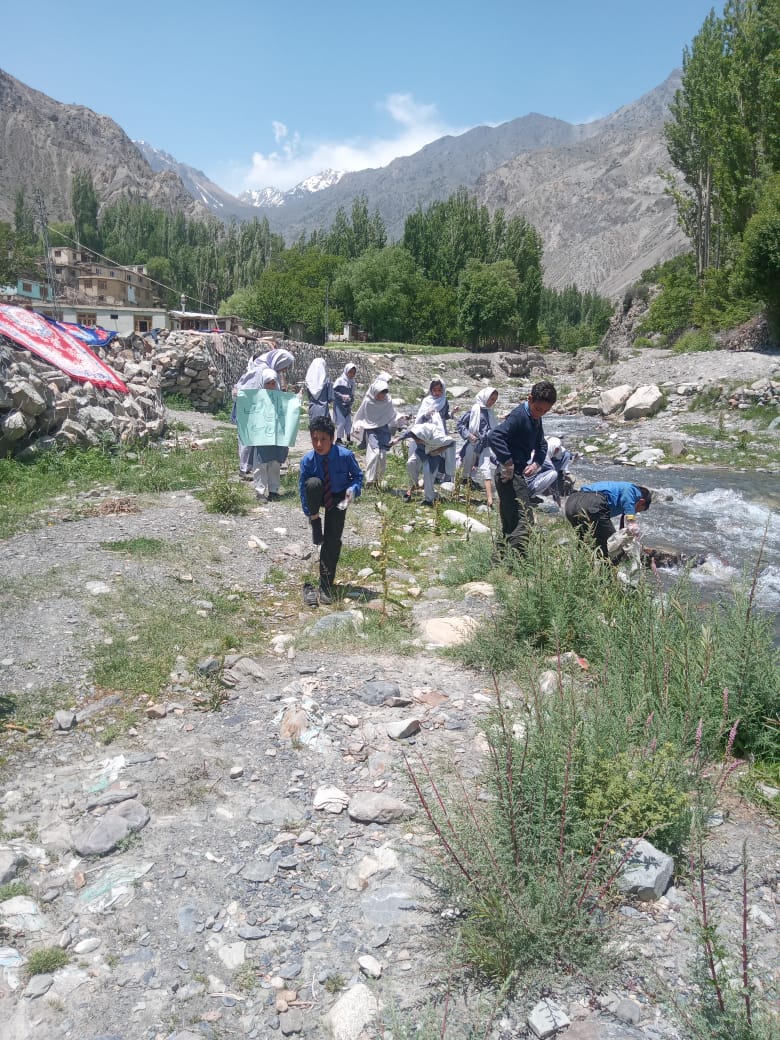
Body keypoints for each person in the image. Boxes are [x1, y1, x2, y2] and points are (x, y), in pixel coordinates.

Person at [299, 415, 364, 606]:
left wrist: (353, 490)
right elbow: (303, 488)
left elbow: (357, 477)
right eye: (314, 439)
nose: (318, 444)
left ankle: (326, 584)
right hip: (318, 495)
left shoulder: (345, 456)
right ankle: (315, 522)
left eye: (323, 439)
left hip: (338, 497)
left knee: (332, 540)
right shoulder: (308, 460)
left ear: (332, 438)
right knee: (312, 483)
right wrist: (310, 513)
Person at [487, 380, 557, 553]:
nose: (540, 413)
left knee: (512, 522)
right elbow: (494, 436)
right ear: (530, 398)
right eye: (538, 409)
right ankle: (515, 562)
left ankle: (501, 560)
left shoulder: (536, 419)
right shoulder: (519, 416)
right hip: (509, 474)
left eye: (545, 411)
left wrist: (536, 463)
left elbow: (542, 444)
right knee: (523, 520)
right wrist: (508, 462)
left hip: (519, 472)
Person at [564, 481, 652, 560]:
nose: (635, 512)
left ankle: (583, 566)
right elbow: (628, 494)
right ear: (641, 501)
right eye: (638, 510)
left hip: (571, 503)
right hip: (591, 502)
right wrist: (631, 522)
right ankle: (610, 571)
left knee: (586, 542)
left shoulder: (616, 492)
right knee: (613, 546)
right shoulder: (633, 490)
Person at [352, 377, 407, 485]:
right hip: (371, 430)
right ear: (374, 392)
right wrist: (358, 426)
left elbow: (392, 415)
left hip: (383, 430)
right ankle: (369, 479)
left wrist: (401, 418)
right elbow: (361, 416)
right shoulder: (368, 401)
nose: (381, 397)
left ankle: (378, 479)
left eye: (384, 394)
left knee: (382, 455)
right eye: (379, 394)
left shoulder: (387, 401)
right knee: (374, 452)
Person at [394, 414, 455, 506]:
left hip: (433, 455)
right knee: (410, 463)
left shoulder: (437, 437)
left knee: (428, 474)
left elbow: (451, 443)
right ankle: (413, 485)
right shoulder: (417, 431)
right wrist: (396, 440)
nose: (416, 441)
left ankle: (429, 499)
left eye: (418, 440)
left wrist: (438, 450)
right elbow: (407, 434)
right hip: (421, 452)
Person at [457, 387, 499, 508]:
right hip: (472, 444)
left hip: (485, 446)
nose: (492, 402)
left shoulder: (490, 412)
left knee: (486, 470)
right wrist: (468, 435)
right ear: (485, 397)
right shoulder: (474, 410)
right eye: (491, 399)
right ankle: (457, 492)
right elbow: (460, 424)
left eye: (494, 400)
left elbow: (493, 429)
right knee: (466, 469)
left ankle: (490, 499)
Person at [415, 377, 455, 483]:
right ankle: (430, 474)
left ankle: (440, 475)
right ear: (431, 390)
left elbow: (445, 415)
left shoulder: (444, 401)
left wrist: (452, 413)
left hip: (441, 430)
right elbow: (420, 418)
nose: (437, 393)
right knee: (431, 451)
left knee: (442, 452)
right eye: (434, 390)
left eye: (439, 390)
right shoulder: (426, 401)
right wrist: (428, 413)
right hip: (429, 431)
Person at [526, 436, 575, 505]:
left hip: (518, 482)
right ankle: (530, 496)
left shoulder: (535, 449)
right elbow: (554, 486)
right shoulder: (545, 459)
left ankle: (530, 495)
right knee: (553, 474)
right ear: (556, 450)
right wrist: (558, 500)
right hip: (525, 487)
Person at [333, 362, 358, 444]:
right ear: (346, 371)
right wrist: (342, 396)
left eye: (353, 373)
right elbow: (334, 392)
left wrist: (351, 401)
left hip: (347, 405)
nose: (351, 374)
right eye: (350, 372)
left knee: (348, 422)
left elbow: (352, 394)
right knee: (341, 422)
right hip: (339, 405)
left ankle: (348, 437)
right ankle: (338, 439)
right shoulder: (340, 380)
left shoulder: (352, 382)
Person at [304, 357, 333, 422]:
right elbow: (330, 398)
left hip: (312, 410)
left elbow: (308, 396)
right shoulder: (327, 381)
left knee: (314, 426)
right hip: (324, 412)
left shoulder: (308, 381)